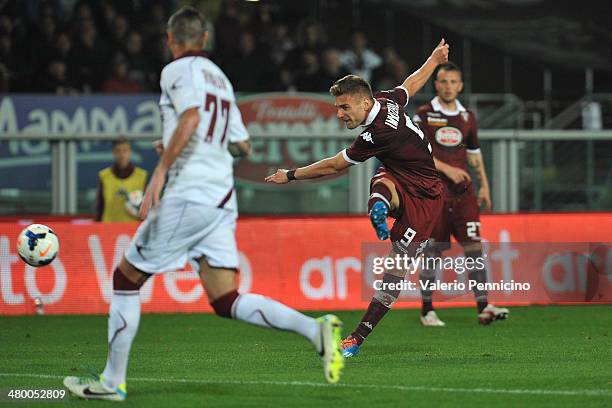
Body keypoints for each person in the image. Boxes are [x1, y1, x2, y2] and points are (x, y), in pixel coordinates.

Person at [63, 7, 344, 401]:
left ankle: (111, 383)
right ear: (205, 39)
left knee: (126, 279)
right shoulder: (222, 81)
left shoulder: (176, 71)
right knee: (225, 299)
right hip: (221, 196)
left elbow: (192, 117)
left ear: (170, 39)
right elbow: (242, 144)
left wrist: (161, 168)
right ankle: (315, 331)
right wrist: (182, 142)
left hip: (189, 193)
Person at [266, 40, 450, 358]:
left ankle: (357, 338)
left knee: (396, 270)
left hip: (425, 197)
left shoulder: (376, 133)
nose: (339, 114)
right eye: (337, 107)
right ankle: (379, 209)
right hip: (401, 177)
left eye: (344, 107)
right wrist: (433, 60)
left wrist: (292, 174)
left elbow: (335, 165)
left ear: (364, 104)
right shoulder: (386, 100)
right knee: (381, 179)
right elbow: (410, 85)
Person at [413, 62, 509, 326]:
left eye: (453, 82)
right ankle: (427, 310)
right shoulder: (423, 114)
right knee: (434, 249)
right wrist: (446, 169)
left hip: (464, 194)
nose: (448, 87)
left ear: (461, 86)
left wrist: (485, 185)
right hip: (434, 193)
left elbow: (474, 154)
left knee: (474, 247)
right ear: (436, 84)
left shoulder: (467, 116)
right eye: (444, 81)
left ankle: (483, 306)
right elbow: (416, 154)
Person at [96, 137, 147, 222]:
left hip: (134, 229)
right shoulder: (104, 176)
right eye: (118, 151)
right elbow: (100, 206)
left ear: (130, 152)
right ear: (113, 152)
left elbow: (147, 208)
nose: (122, 155)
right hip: (108, 229)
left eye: (125, 151)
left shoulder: (142, 176)